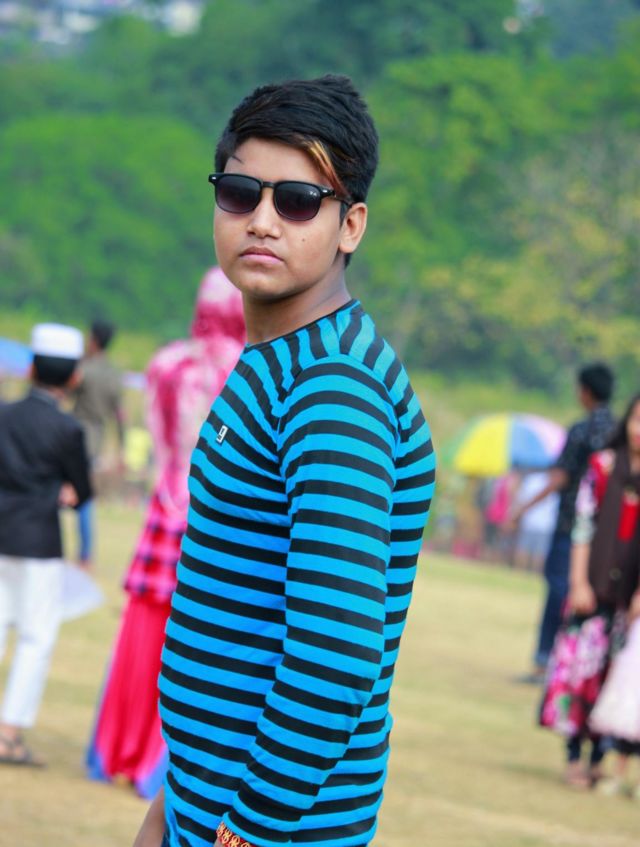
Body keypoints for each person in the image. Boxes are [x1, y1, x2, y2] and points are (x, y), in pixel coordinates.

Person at [133, 75, 435, 847]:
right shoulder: (279, 360)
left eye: (298, 201)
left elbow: (336, 649)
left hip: (271, 825)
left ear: (350, 225)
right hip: (208, 797)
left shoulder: (333, 386)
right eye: (241, 194)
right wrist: (176, 797)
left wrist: (253, 825)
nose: (262, 221)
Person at [87, 267, 245, 799]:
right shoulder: (248, 371)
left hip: (164, 507)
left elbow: (160, 444)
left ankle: (115, 748)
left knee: (142, 632)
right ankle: (160, 764)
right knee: (197, 643)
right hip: (217, 522)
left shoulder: (166, 364)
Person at [0, 323, 92, 767]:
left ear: (31, 368)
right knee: (35, 638)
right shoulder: (67, 429)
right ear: (74, 378)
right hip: (39, 541)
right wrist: (64, 492)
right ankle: (8, 735)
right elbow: (83, 491)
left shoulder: (4, 415)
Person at [539, 393, 640, 788]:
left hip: (627, 598)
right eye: (636, 419)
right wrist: (579, 582)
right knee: (580, 673)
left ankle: (599, 758)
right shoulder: (602, 466)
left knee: (613, 677)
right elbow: (582, 528)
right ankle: (573, 757)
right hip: (591, 590)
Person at [512, 363, 615, 682]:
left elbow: (560, 477)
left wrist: (522, 508)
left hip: (570, 526)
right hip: (606, 534)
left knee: (559, 590)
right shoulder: (619, 431)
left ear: (585, 391)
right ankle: (579, 664)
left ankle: (546, 661)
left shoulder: (582, 430)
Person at [72, 318, 125, 566]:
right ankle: (86, 553)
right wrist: (122, 447)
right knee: (85, 497)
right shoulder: (114, 374)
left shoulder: (85, 369)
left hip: (75, 434)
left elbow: (66, 389)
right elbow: (120, 415)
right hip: (97, 439)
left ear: (93, 339)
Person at [512, 470, 559, 572]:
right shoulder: (554, 482)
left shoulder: (532, 480)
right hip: (545, 523)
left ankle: (520, 572)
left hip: (534, 522)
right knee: (537, 552)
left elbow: (521, 498)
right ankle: (532, 573)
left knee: (526, 549)